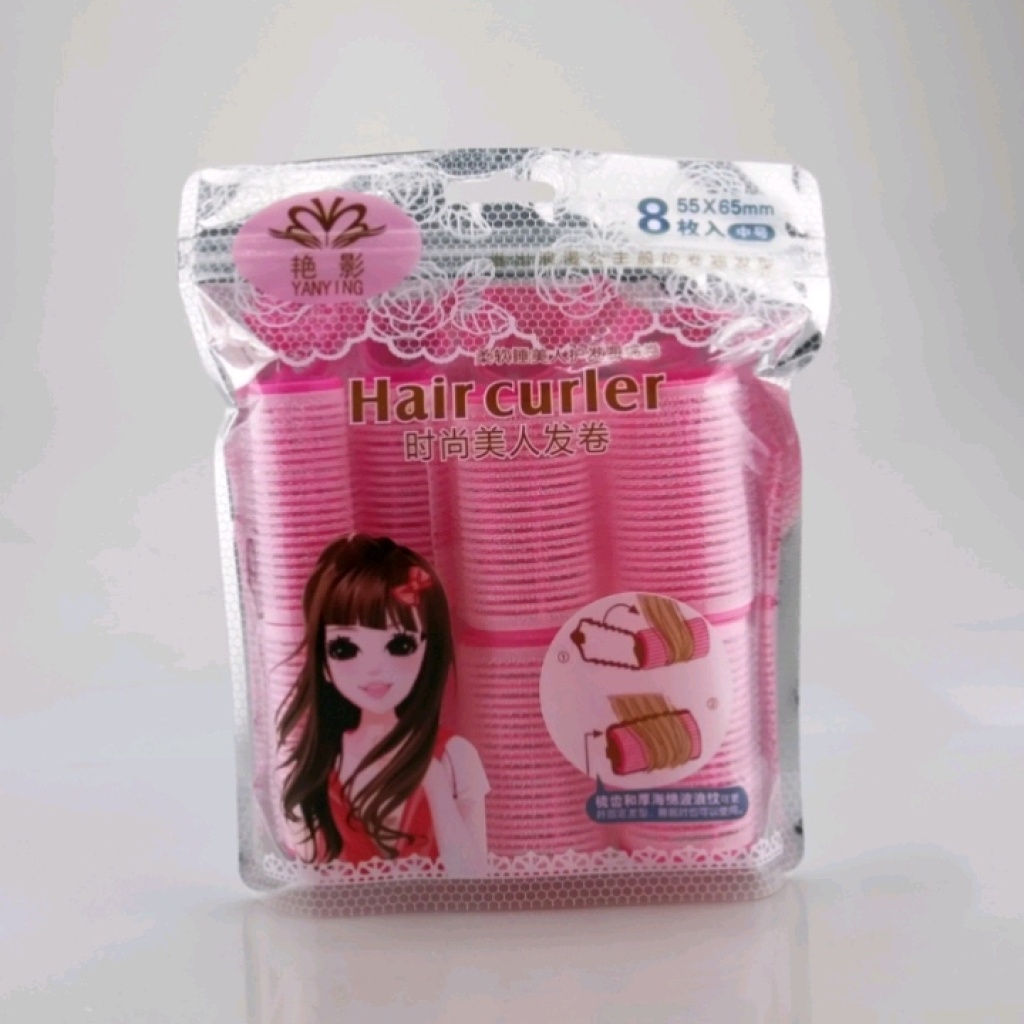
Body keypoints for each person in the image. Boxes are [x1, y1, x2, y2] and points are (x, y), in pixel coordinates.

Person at [277, 534, 489, 876]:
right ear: (323, 663)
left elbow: (475, 878)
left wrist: (434, 784)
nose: (374, 668)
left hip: (442, 910)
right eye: (345, 648)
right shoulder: (319, 765)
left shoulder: (453, 757)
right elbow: (310, 879)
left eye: (400, 645)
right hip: (346, 911)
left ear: (430, 653)